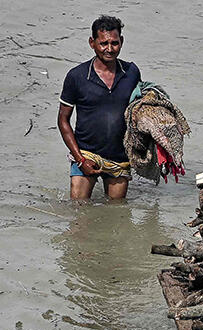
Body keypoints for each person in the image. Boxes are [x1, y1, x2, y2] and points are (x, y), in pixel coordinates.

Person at [57, 16, 141, 201]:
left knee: (117, 216)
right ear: (92, 43)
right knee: (79, 214)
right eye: (103, 43)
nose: (109, 49)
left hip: (120, 157)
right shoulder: (77, 76)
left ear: (122, 42)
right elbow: (63, 120)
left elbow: (141, 111)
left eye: (114, 43)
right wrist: (80, 159)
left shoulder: (131, 73)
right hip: (86, 153)